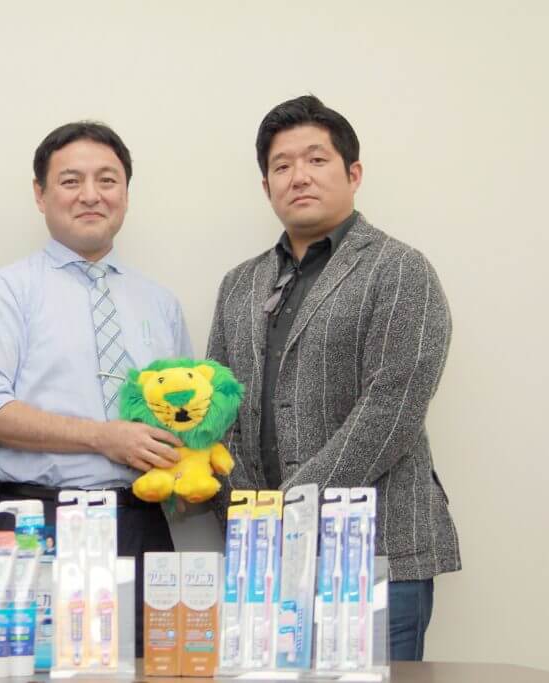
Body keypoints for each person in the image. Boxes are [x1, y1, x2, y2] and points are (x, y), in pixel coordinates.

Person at [206, 95, 460, 661]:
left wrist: (288, 511)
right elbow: (217, 409)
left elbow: (390, 410)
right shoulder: (238, 284)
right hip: (261, 559)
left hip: (378, 551)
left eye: (317, 160)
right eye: (282, 165)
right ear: (267, 185)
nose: (299, 176)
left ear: (353, 174)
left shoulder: (400, 268)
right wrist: (248, 518)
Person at [0, 121, 194, 650]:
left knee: (148, 670)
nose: (91, 195)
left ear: (126, 193)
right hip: (36, 525)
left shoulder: (160, 303)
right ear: (40, 195)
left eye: (107, 180)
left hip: (140, 525)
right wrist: (103, 437)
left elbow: (187, 417)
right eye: (71, 181)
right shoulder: (8, 291)